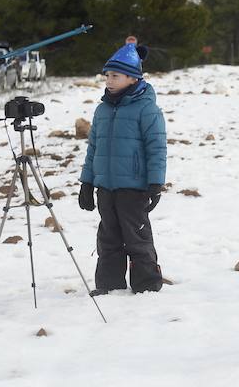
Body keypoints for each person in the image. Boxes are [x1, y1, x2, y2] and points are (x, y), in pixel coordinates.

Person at [78, 43, 167, 295]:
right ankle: (109, 285)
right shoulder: (102, 110)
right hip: (106, 188)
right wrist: (87, 183)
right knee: (108, 238)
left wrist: (155, 183)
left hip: (133, 188)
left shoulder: (147, 109)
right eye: (107, 75)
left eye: (115, 76)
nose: (109, 80)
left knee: (137, 237)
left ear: (133, 78)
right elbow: (93, 149)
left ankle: (147, 284)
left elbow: (157, 148)